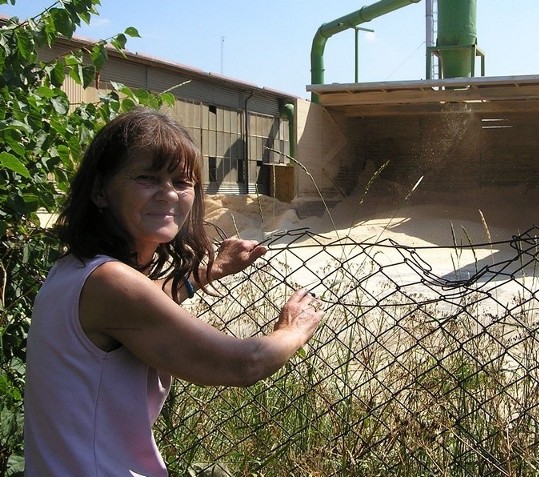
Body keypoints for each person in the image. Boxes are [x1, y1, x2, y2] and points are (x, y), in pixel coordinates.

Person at [23, 107, 323, 476]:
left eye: (182, 182)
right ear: (101, 190)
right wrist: (292, 330)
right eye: (147, 178)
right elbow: (243, 362)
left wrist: (208, 270)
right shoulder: (110, 283)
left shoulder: (74, 270)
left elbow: (142, 308)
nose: (168, 194)